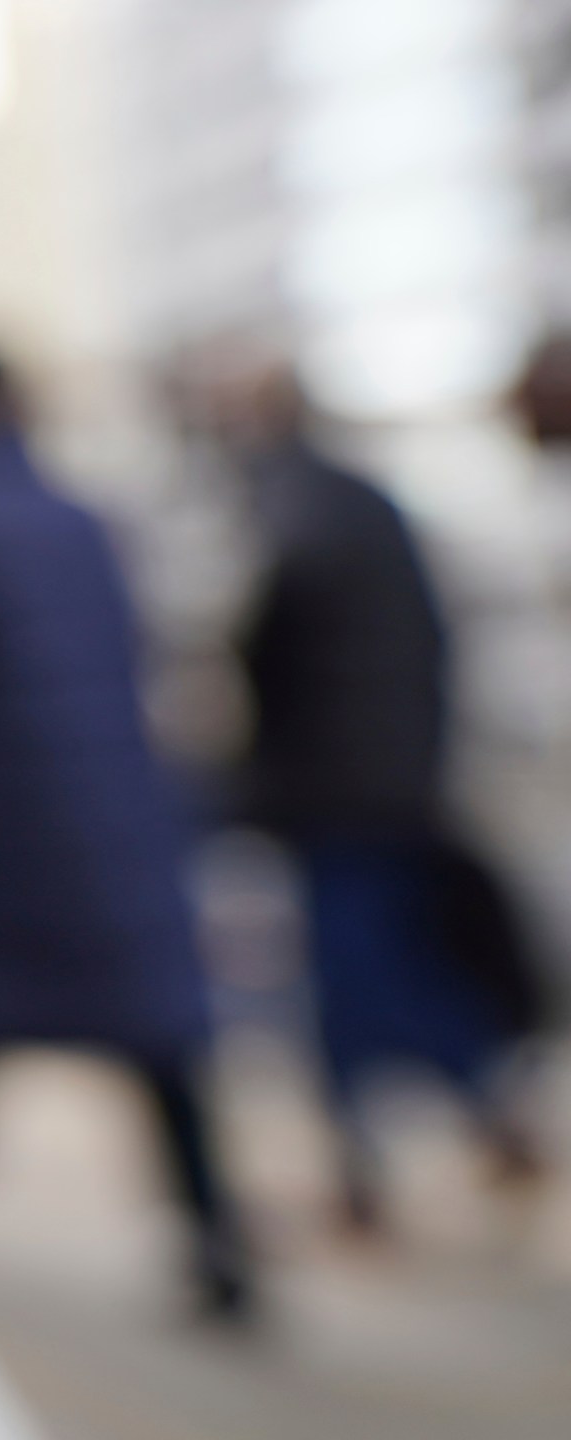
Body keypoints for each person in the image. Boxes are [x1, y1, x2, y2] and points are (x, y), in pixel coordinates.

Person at [0, 353, 251, 1318]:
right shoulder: (89, 518)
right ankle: (221, 1252)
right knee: (162, 1041)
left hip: (13, 822)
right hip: (117, 811)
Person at [214, 349, 533, 1229]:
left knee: (356, 982)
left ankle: (379, 1160)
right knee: (384, 967)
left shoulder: (294, 510)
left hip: (338, 793)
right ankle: (448, 1125)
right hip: (391, 781)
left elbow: (260, 636)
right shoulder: (363, 503)